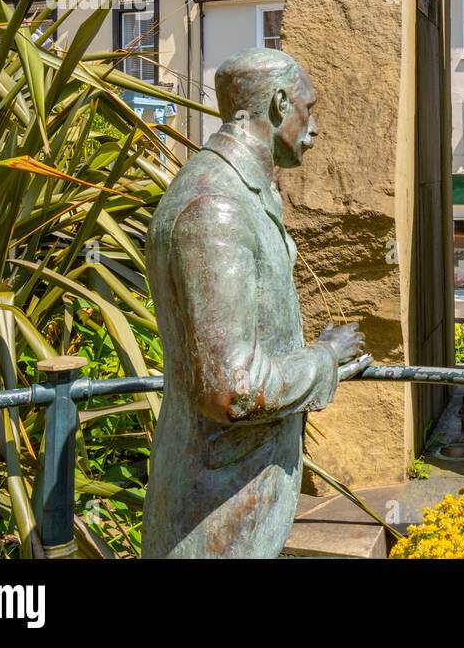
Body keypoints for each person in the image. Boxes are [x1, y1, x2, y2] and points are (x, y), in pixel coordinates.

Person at [142, 48, 363, 558]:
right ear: (282, 103)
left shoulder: (245, 192)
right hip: (213, 521)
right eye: (310, 107)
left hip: (240, 513)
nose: (316, 127)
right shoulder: (215, 207)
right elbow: (232, 390)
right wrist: (324, 359)